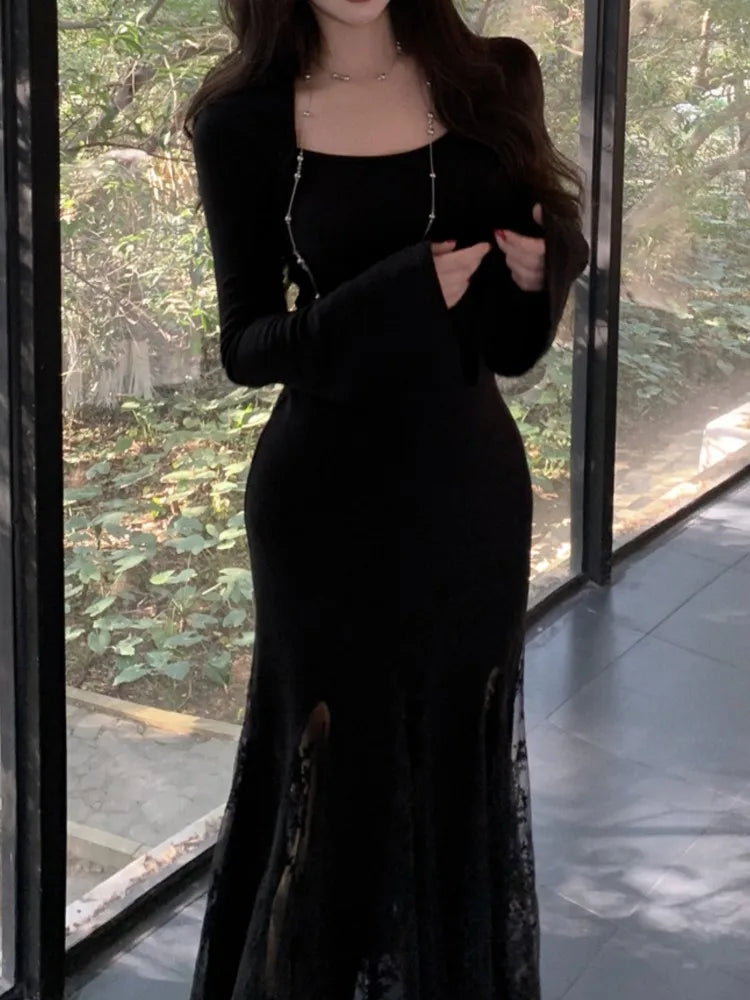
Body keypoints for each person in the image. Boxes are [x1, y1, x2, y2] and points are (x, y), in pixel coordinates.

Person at [184, 1, 589, 997]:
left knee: (456, 761)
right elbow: (248, 348)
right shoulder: (242, 120)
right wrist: (399, 292)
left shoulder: (496, 76)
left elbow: (511, 347)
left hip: (469, 492)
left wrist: (546, 268)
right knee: (334, 776)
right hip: (324, 505)